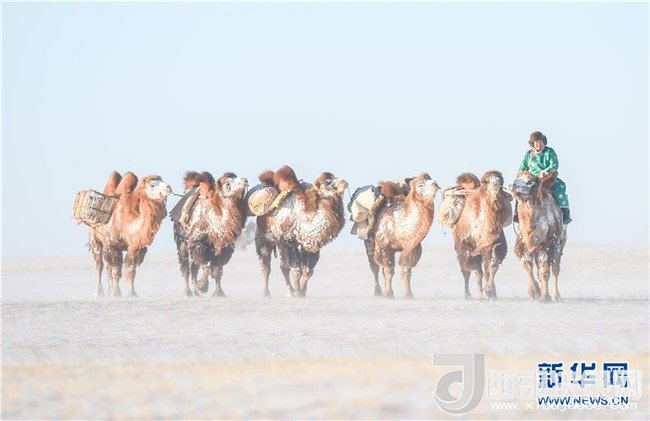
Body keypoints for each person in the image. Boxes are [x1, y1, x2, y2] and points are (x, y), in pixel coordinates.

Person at [516, 131, 571, 224]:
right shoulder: (529, 154)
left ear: (544, 141)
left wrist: (545, 172)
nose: (538, 144)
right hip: (531, 179)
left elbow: (554, 164)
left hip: (547, 178)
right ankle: (517, 214)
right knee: (518, 188)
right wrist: (520, 177)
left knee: (560, 187)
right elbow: (523, 168)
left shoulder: (549, 152)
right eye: (536, 142)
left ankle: (565, 213)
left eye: (540, 141)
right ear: (532, 143)